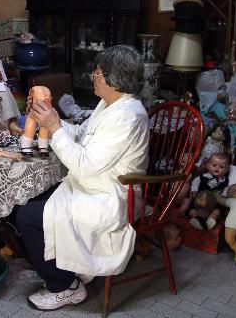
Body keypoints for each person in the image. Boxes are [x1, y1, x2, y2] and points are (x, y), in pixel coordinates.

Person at [15, 45, 149, 311]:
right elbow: (81, 134)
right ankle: (58, 265)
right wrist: (47, 119)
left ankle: (64, 286)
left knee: (27, 217)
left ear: (115, 79)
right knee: (23, 198)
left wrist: (53, 127)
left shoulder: (127, 116)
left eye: (98, 73)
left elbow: (85, 167)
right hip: (90, 186)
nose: (93, 77)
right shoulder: (110, 104)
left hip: (108, 196)